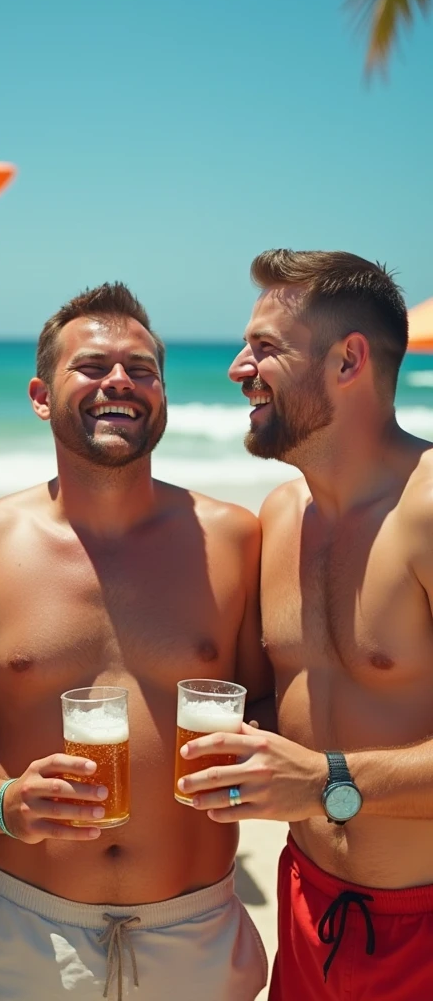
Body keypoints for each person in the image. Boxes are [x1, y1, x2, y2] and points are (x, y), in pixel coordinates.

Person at [0, 282, 271, 1001]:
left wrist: (260, 763)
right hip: (24, 935)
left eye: (142, 369)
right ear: (40, 396)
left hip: (196, 934)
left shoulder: (236, 540)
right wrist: (3, 802)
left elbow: (270, 712)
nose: (120, 380)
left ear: (164, 396)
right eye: (92, 366)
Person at [179, 248, 433, 1000]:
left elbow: (319, 772)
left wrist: (330, 781)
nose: (236, 367)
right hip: (307, 913)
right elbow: (279, 704)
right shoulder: (280, 518)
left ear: (348, 360)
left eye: (265, 348)